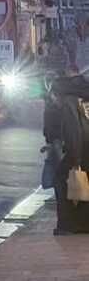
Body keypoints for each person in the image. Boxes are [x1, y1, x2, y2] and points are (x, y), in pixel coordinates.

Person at [44, 66, 89, 234]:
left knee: (61, 182)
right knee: (83, 185)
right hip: (85, 149)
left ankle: (67, 225)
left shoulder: (67, 102)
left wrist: (75, 159)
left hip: (79, 150)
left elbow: (74, 131)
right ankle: (82, 223)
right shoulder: (79, 96)